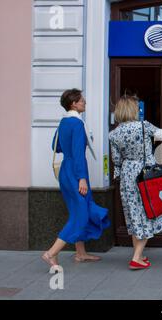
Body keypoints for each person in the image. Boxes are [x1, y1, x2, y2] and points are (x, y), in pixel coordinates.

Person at [108, 95, 162, 270]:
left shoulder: (114, 134)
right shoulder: (143, 126)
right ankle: (136, 257)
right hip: (146, 173)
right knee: (149, 211)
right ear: (133, 110)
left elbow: (116, 161)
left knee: (134, 213)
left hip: (127, 174)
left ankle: (139, 255)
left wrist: (119, 175)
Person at [42, 89, 111, 267]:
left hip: (66, 170)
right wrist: (81, 179)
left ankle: (80, 253)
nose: (85, 102)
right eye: (82, 100)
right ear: (73, 103)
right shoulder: (77, 124)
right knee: (80, 215)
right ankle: (51, 253)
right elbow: (79, 154)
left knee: (78, 210)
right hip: (76, 172)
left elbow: (55, 147)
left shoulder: (64, 122)